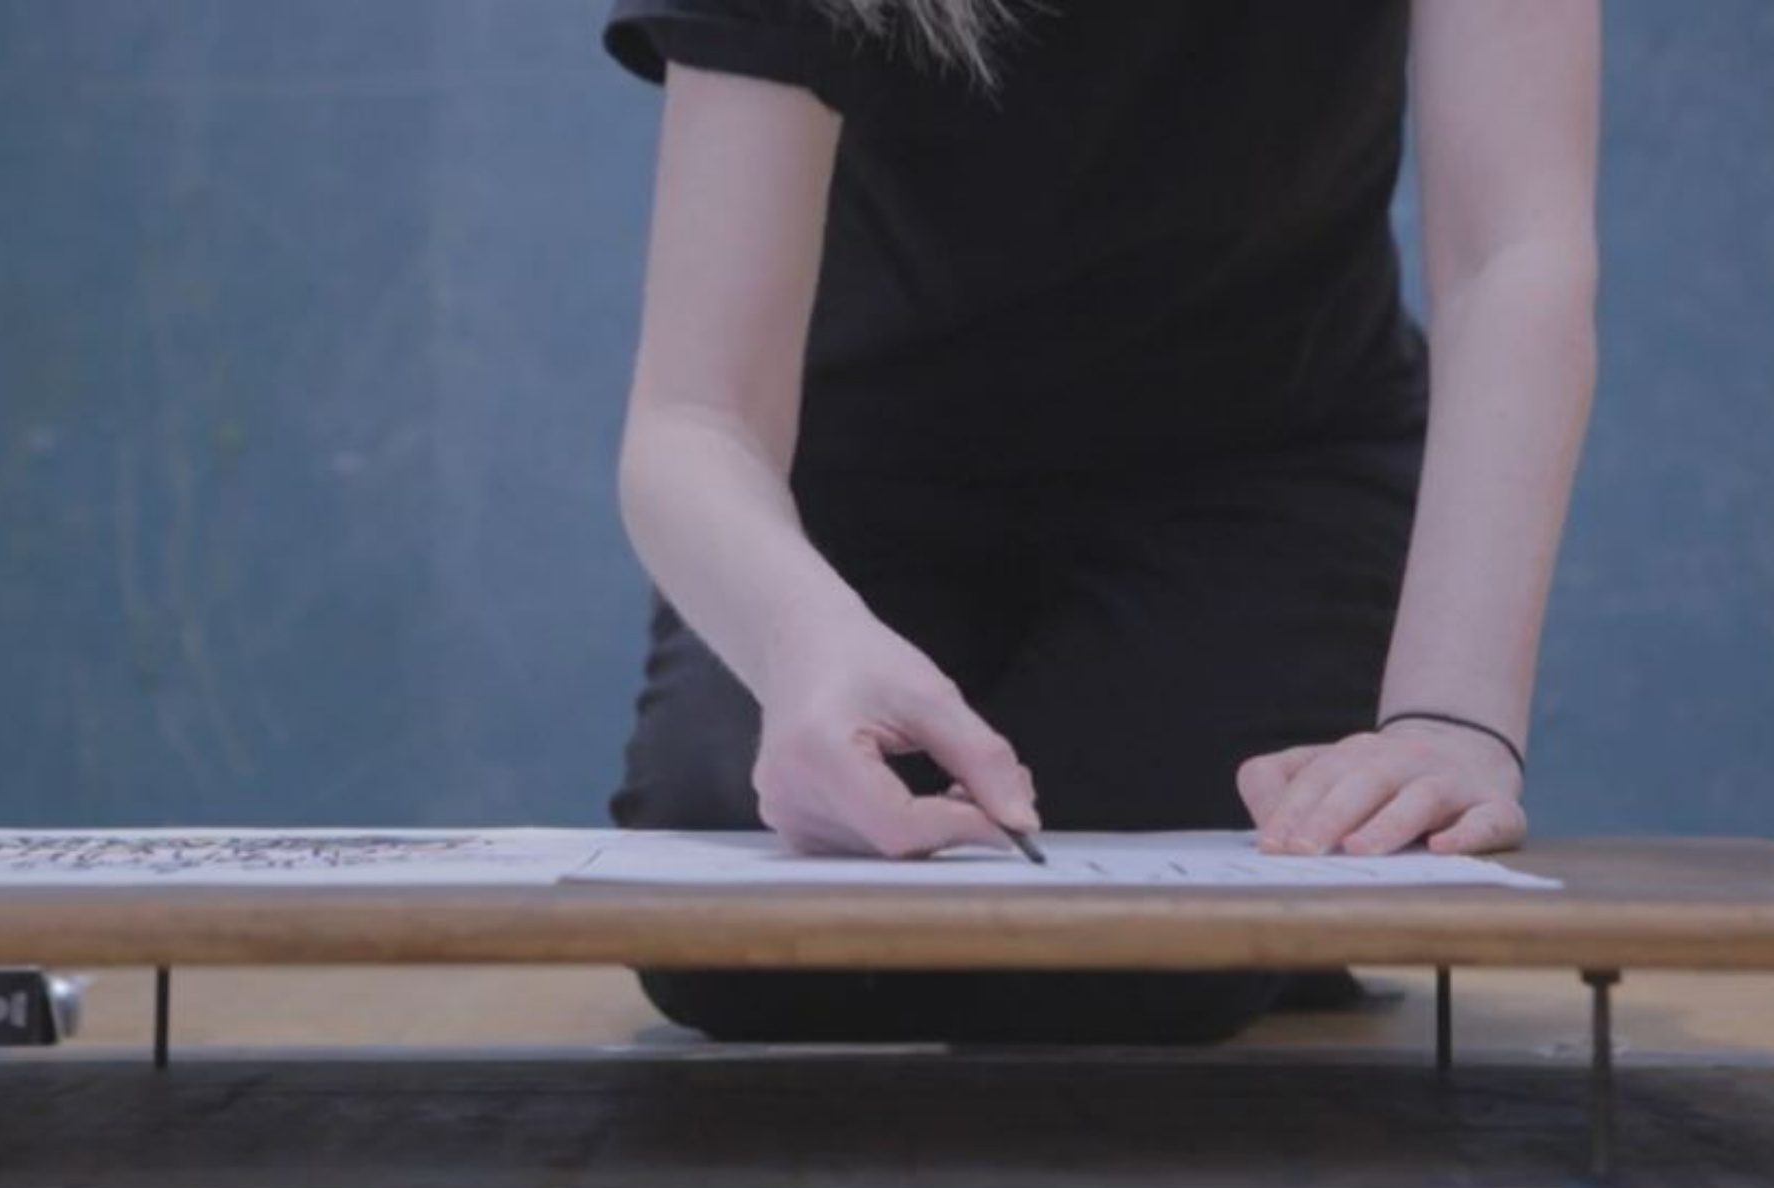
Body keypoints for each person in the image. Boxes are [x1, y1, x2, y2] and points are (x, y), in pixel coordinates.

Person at [600, 0, 1600, 1043]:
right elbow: (695, 417)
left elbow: (1512, 255)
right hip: (855, 484)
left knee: (1130, 964)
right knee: (734, 953)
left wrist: (1450, 724)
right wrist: (798, 637)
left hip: (1265, 473)